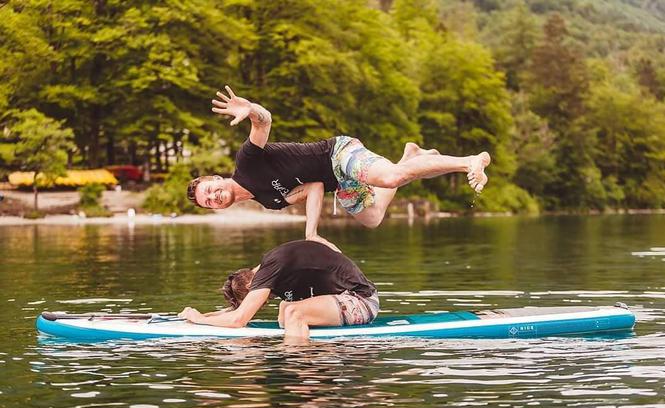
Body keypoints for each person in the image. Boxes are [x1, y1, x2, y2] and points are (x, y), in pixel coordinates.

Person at [187, 85, 491, 250]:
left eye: (211, 189)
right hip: (338, 183)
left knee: (389, 178)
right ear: (216, 209)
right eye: (210, 201)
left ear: (217, 178)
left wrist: (252, 109)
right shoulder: (268, 201)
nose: (215, 196)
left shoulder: (246, 161)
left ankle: (470, 161)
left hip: (336, 154)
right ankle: (410, 157)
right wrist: (312, 234)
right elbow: (315, 187)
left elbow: (264, 122)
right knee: (372, 218)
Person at [178, 240, 378, 341]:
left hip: (361, 301)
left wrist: (200, 320)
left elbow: (238, 320)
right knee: (285, 310)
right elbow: (234, 313)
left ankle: (297, 367)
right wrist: (200, 316)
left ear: (251, 286)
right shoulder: (272, 273)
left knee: (293, 312)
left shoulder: (272, 264)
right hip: (342, 301)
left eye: (259, 302)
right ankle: (312, 347)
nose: (263, 304)